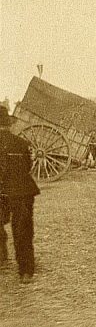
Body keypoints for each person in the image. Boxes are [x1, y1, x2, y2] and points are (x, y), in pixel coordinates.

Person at [0, 106, 40, 283]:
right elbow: (27, 167)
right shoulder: (21, 143)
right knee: (23, 229)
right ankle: (25, 270)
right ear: (8, 124)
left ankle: (1, 257)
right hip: (21, 190)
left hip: (4, 190)